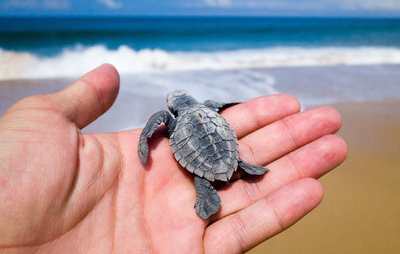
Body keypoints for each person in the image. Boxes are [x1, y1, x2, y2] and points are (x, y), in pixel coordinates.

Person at [0, 64, 347, 254]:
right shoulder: (207, 106)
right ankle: (239, 165)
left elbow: (155, 126)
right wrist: (235, 105)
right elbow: (221, 108)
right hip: (225, 147)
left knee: (202, 174)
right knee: (222, 154)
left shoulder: (171, 120)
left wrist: (144, 145)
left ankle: (207, 189)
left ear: (173, 109)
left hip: (198, 151)